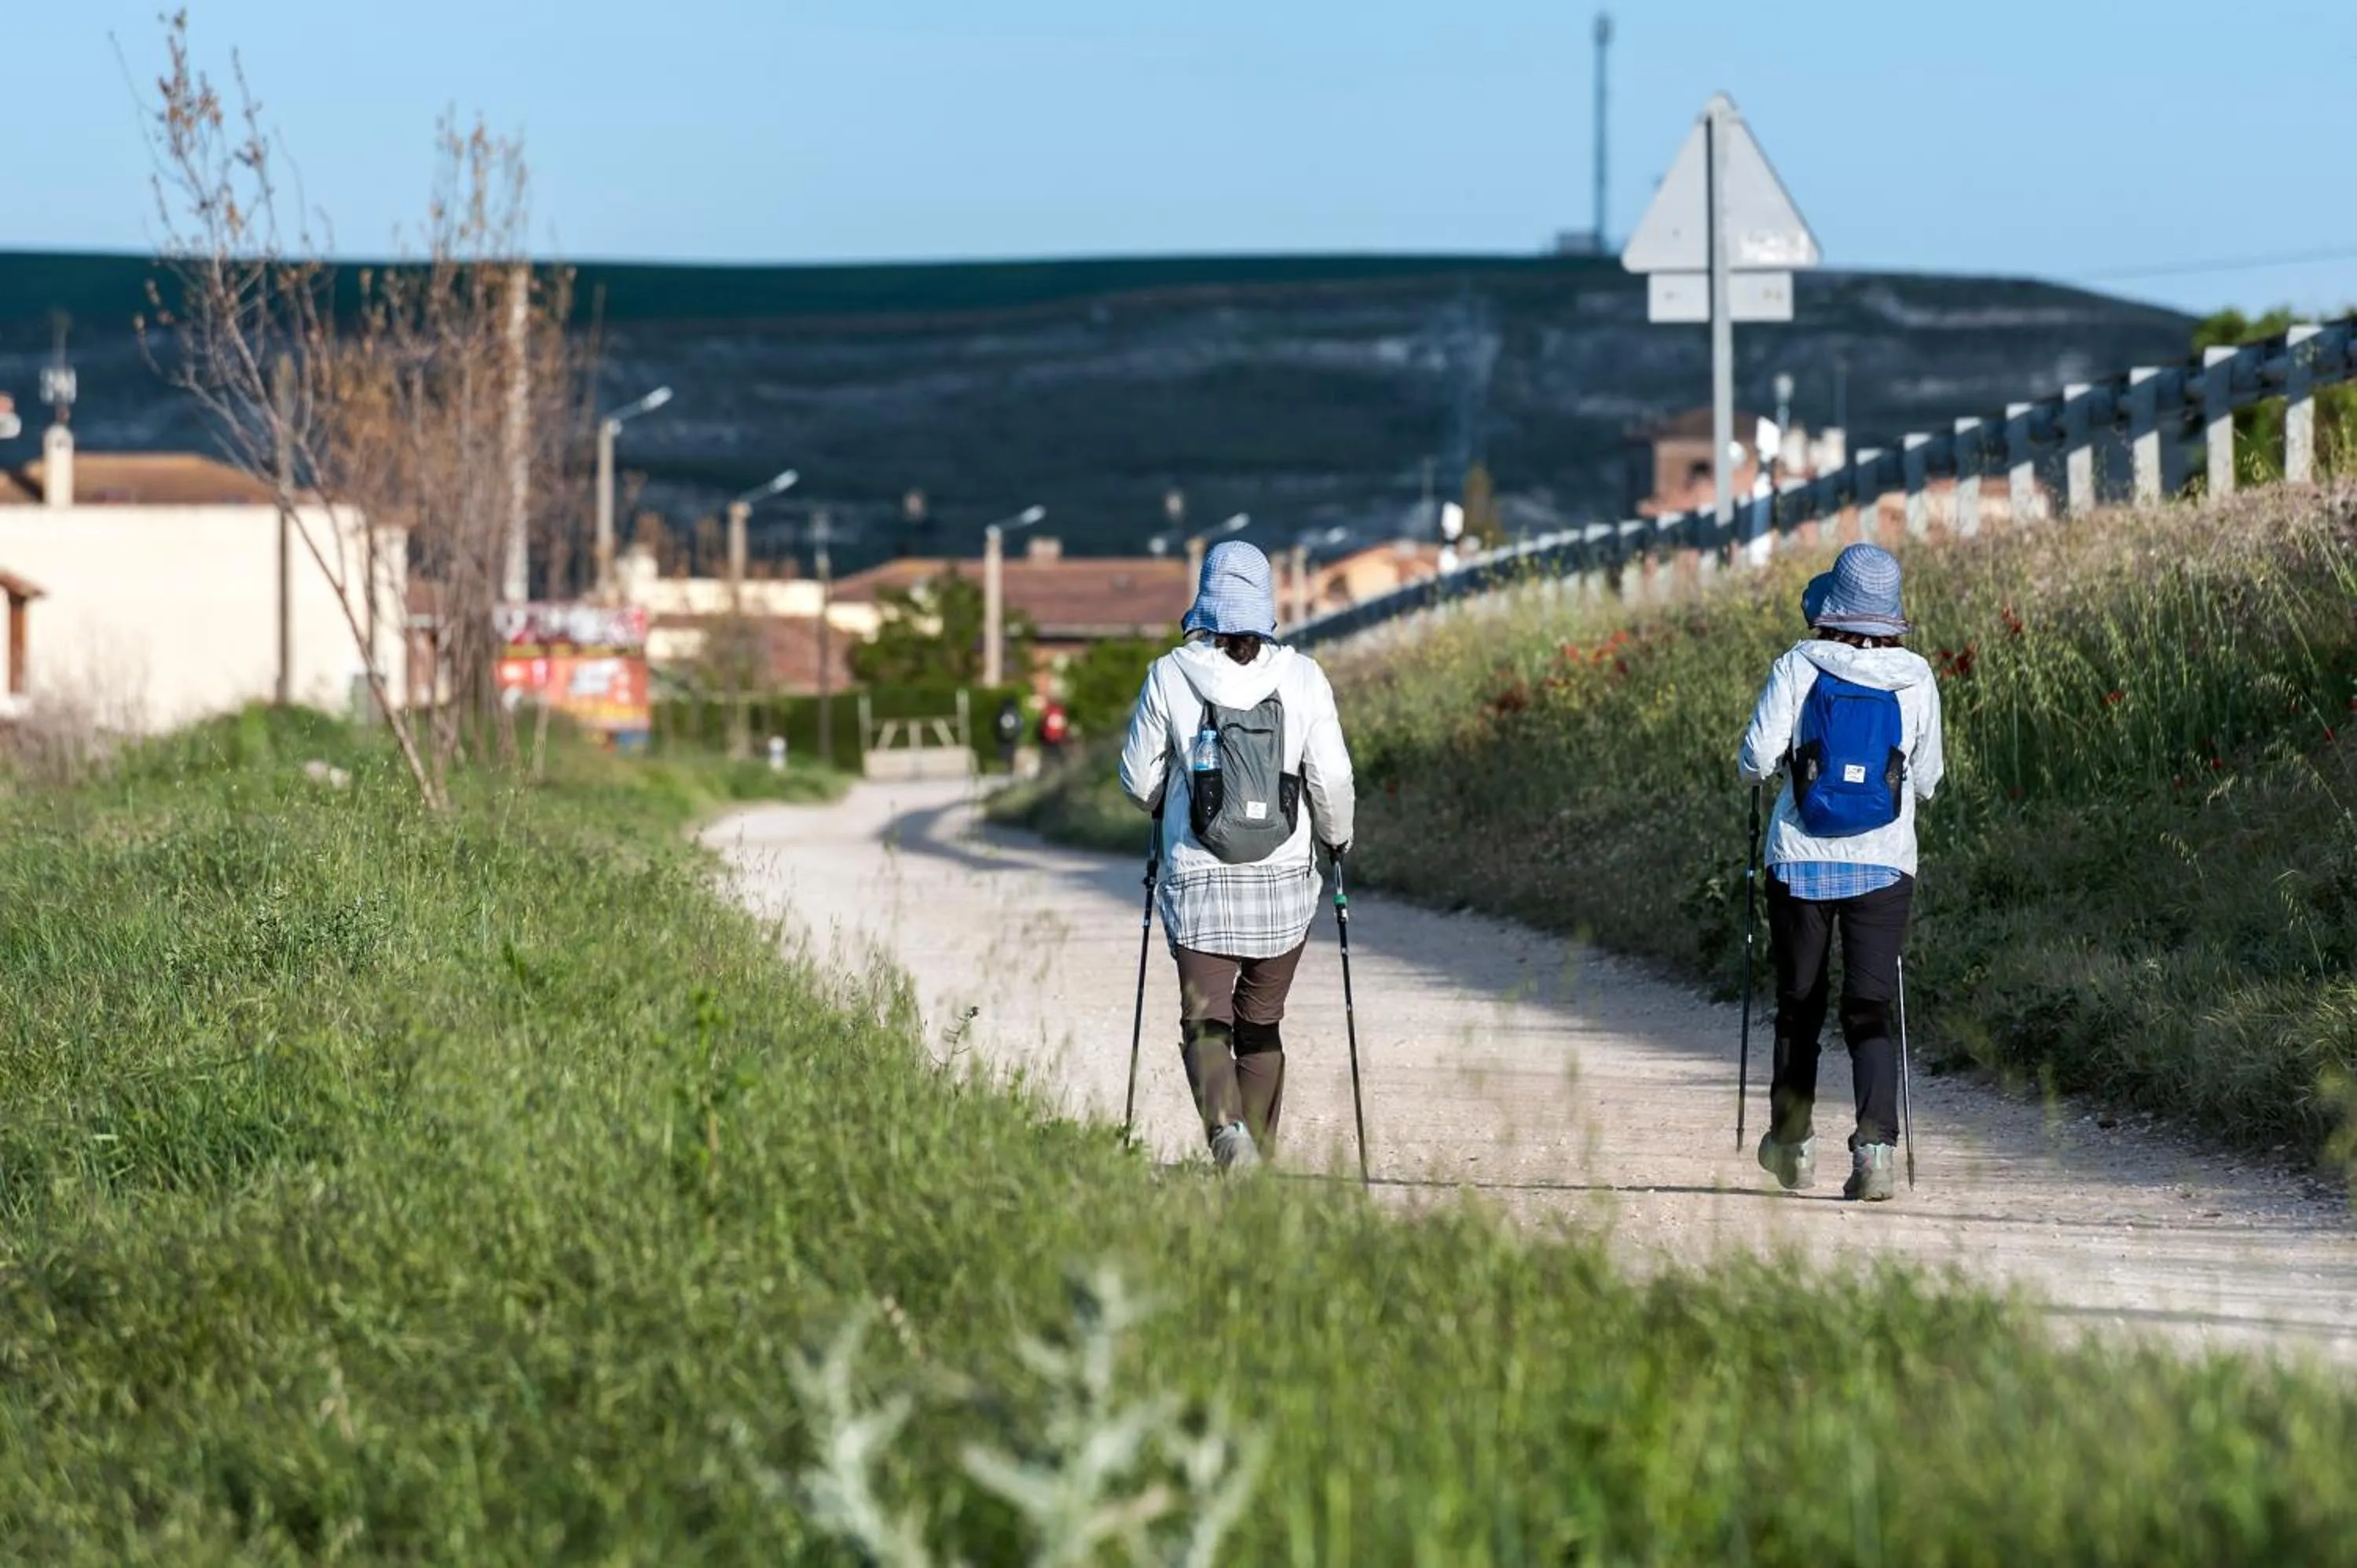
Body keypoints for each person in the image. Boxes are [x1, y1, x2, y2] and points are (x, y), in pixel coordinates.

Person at [1119, 540, 1354, 1173]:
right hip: (1283, 882)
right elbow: (1330, 780)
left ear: (1206, 602)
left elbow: (1140, 780)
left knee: (1206, 1023)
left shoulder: (1170, 674)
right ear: (1266, 605)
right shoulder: (1303, 676)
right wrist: (1336, 841)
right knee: (1261, 1024)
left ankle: (1229, 1140)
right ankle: (1256, 1166)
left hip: (1198, 878)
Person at [1736, 543, 1944, 1202]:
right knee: (1869, 1008)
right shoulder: (1915, 677)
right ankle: (1876, 1150)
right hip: (1884, 866)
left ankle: (1793, 1145)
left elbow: (1755, 757)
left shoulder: (1799, 664)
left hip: (1800, 861)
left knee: (1800, 1006)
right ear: (1890, 616)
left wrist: (1772, 769)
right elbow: (1931, 779)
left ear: (1831, 607)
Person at [993, 695, 1025, 771]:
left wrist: (998, 736)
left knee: (1004, 756)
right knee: (1012, 756)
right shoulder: (1015, 713)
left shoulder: (1001, 713)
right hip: (1012, 739)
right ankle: (1010, 769)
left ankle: (1005, 769)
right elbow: (1020, 725)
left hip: (1003, 739)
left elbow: (995, 725)